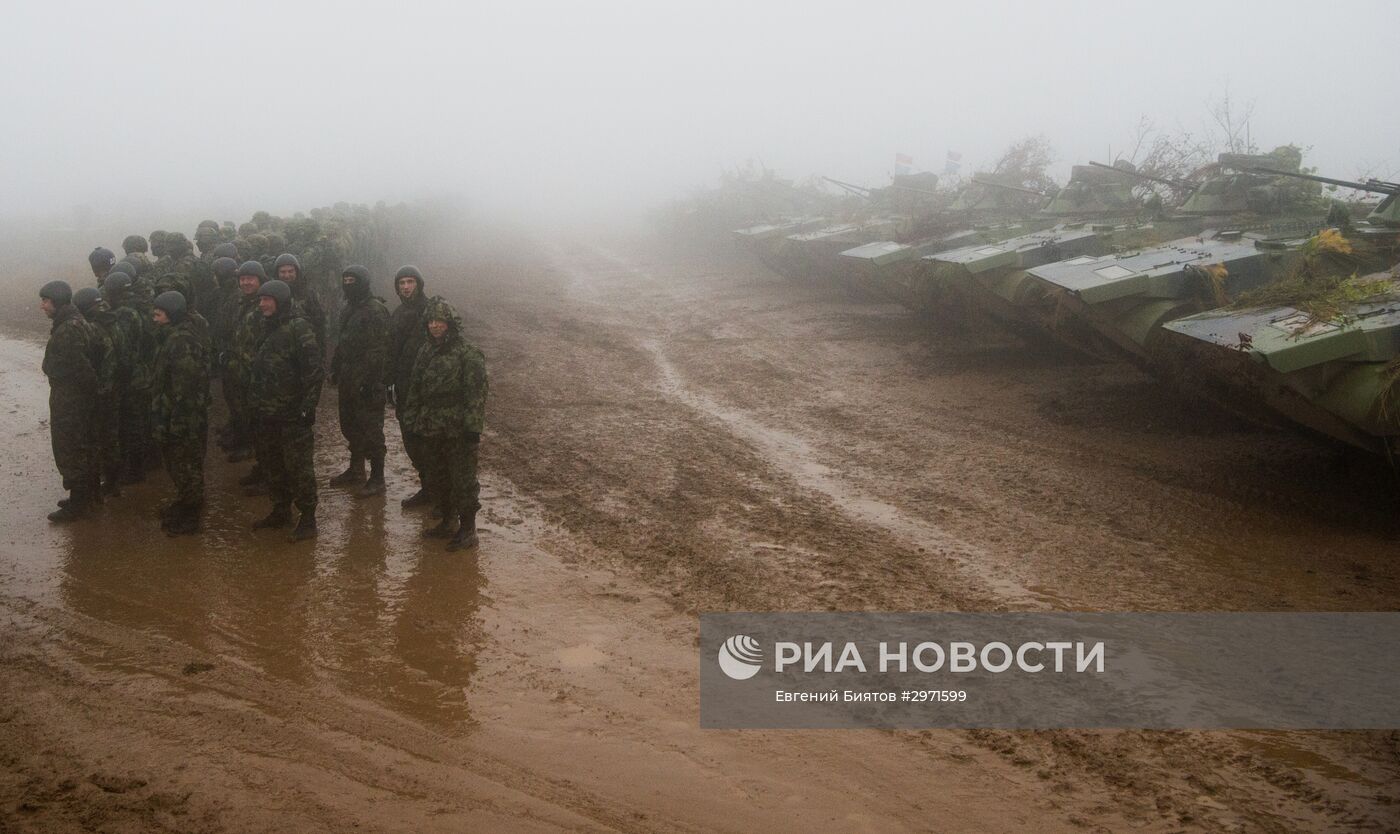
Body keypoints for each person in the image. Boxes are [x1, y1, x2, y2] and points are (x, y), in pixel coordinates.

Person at [402, 299, 487, 551]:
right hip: (430, 425)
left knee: (462, 479)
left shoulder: (468, 354)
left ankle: (468, 528)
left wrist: (473, 428)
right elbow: (415, 388)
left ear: (450, 323)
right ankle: (448, 521)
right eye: (431, 321)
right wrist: (411, 421)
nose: (435, 326)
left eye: (440, 321)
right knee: (438, 476)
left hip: (457, 428)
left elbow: (476, 394)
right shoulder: (425, 351)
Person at [248, 279, 323, 542]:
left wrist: (307, 407)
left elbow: (313, 371)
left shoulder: (298, 327)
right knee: (272, 464)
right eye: (260, 300)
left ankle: (308, 518)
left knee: (298, 467)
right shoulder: (264, 325)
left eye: (267, 300)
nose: (262, 304)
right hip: (266, 412)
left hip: (292, 414)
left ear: (280, 300)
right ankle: (281, 509)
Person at [150, 290, 211, 535]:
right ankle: (185, 502)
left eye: (158, 314)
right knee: (177, 464)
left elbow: (186, 389)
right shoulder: (171, 337)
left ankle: (192, 515)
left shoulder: (182, 342)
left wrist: (177, 422)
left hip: (185, 418)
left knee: (187, 465)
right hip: (173, 414)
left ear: (172, 314)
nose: (154, 319)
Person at [40, 280, 101, 522]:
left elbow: (81, 368)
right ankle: (86, 495)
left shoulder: (68, 329)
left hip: (71, 398)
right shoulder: (72, 323)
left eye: (45, 301)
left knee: (70, 447)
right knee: (81, 445)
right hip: (74, 396)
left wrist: (86, 394)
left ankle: (79, 502)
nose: (42, 306)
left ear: (56, 301)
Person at [329, 265, 390, 496]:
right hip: (348, 377)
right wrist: (335, 367)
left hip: (368, 382)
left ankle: (378, 477)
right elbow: (342, 341)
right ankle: (356, 470)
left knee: (371, 429)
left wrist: (370, 380)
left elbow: (380, 350)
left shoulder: (375, 310)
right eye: (345, 279)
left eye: (352, 279)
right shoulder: (348, 308)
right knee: (350, 425)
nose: (348, 283)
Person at [101, 272, 156, 484]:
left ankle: (135, 470)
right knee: (139, 421)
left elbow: (123, 349)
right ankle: (141, 464)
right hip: (142, 372)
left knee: (131, 424)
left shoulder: (125, 314)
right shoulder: (140, 305)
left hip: (132, 376)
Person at [73, 287, 128, 498]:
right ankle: (112, 481)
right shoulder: (112, 319)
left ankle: (108, 484)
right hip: (116, 385)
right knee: (111, 435)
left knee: (100, 438)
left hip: (104, 390)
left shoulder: (96, 327)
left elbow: (103, 361)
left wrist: (99, 389)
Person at [387, 265, 431, 506]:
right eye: (401, 283)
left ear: (419, 284)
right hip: (404, 387)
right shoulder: (398, 313)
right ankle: (428, 487)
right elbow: (391, 350)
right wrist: (389, 382)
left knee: (430, 442)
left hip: (425, 388)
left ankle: (442, 496)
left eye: (410, 282)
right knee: (411, 440)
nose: (405, 287)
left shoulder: (430, 311)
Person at [224, 261, 267, 468]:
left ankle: (265, 470)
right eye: (242, 279)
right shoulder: (239, 302)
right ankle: (254, 457)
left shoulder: (265, 304)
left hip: (258, 373)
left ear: (260, 279)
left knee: (261, 423)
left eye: (250, 278)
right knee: (244, 415)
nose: (246, 282)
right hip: (239, 371)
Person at [273, 253, 327, 355]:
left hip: (305, 347)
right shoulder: (272, 293)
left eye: (290, 271)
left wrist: (321, 351)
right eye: (282, 272)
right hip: (279, 349)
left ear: (297, 272)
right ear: (277, 273)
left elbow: (319, 323)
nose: (287, 275)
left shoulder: (307, 294)